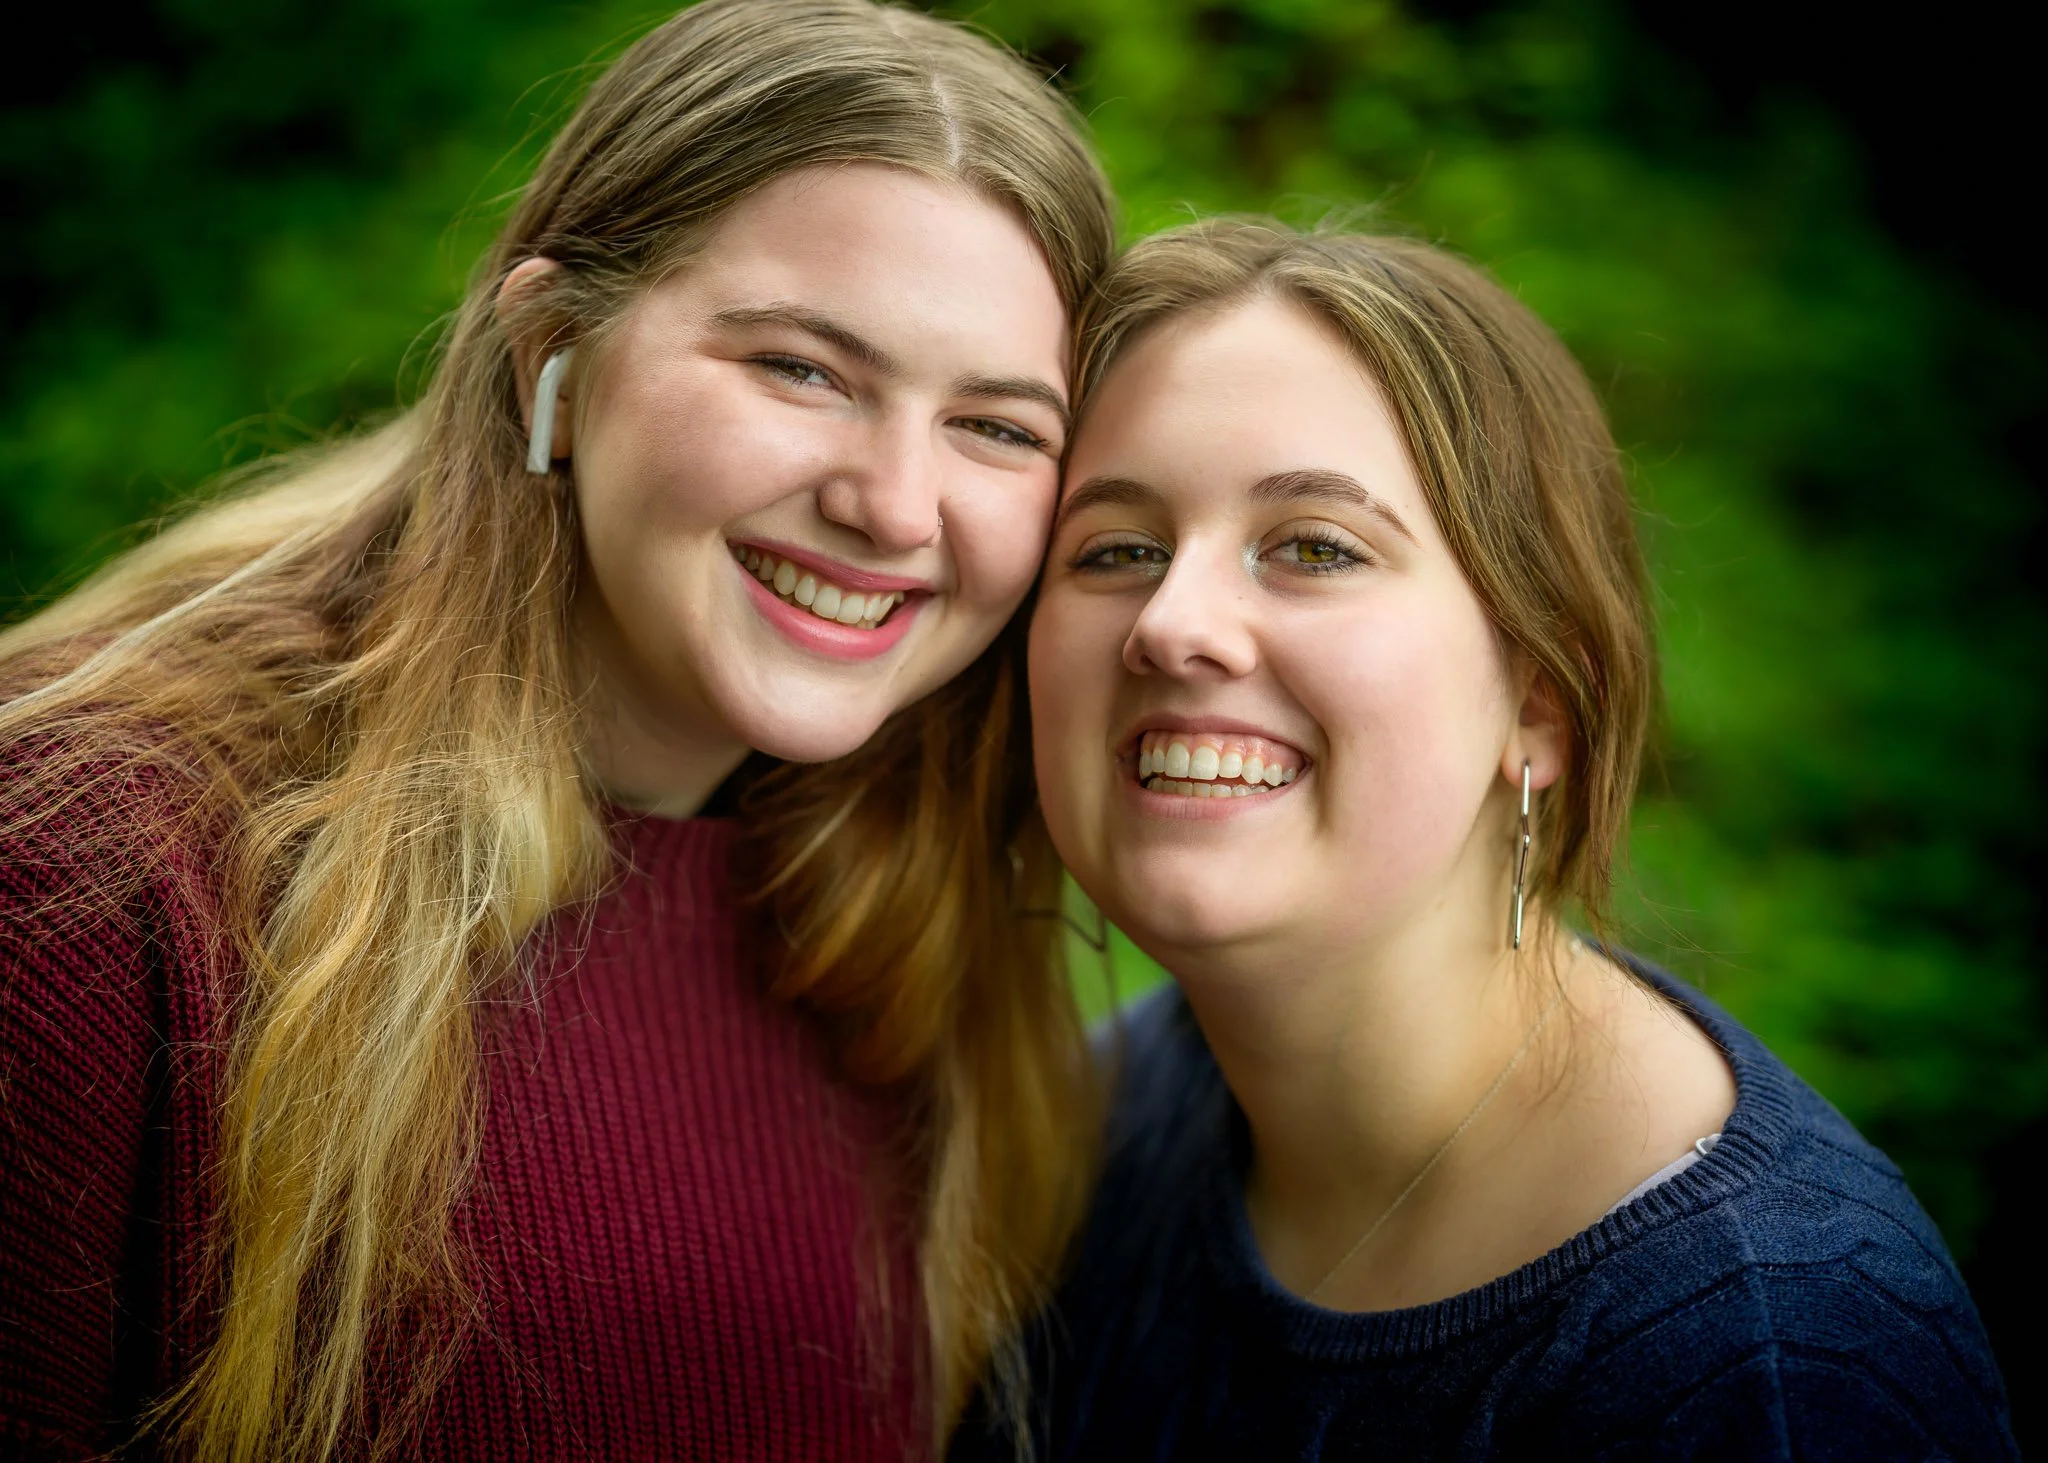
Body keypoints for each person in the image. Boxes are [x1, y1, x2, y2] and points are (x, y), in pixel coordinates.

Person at [0, 2, 1114, 1458]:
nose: (897, 505)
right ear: (552, 358)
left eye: (998, 427)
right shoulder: (92, 871)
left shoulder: (908, 936)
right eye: (802, 369)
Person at [970, 219, 2017, 1459]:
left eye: (1313, 546)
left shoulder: (1768, 1355)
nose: (1172, 622)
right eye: (1119, 549)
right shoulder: (1103, 1118)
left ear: (1539, 702)